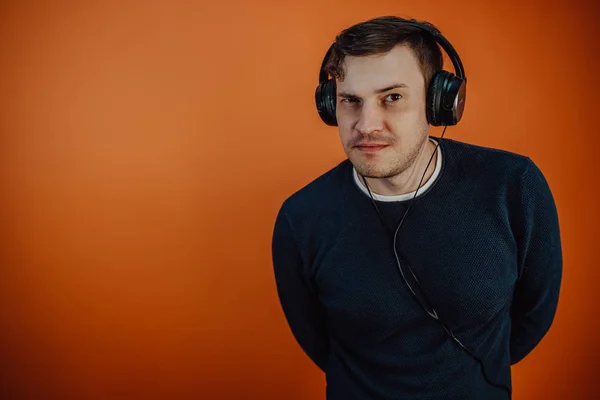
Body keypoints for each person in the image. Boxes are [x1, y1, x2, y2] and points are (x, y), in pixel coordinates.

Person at [271, 15, 562, 400]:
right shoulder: (301, 218)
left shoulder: (513, 186)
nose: (366, 124)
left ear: (438, 102)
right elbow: (315, 338)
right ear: (331, 107)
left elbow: (533, 316)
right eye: (350, 101)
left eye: (392, 97)